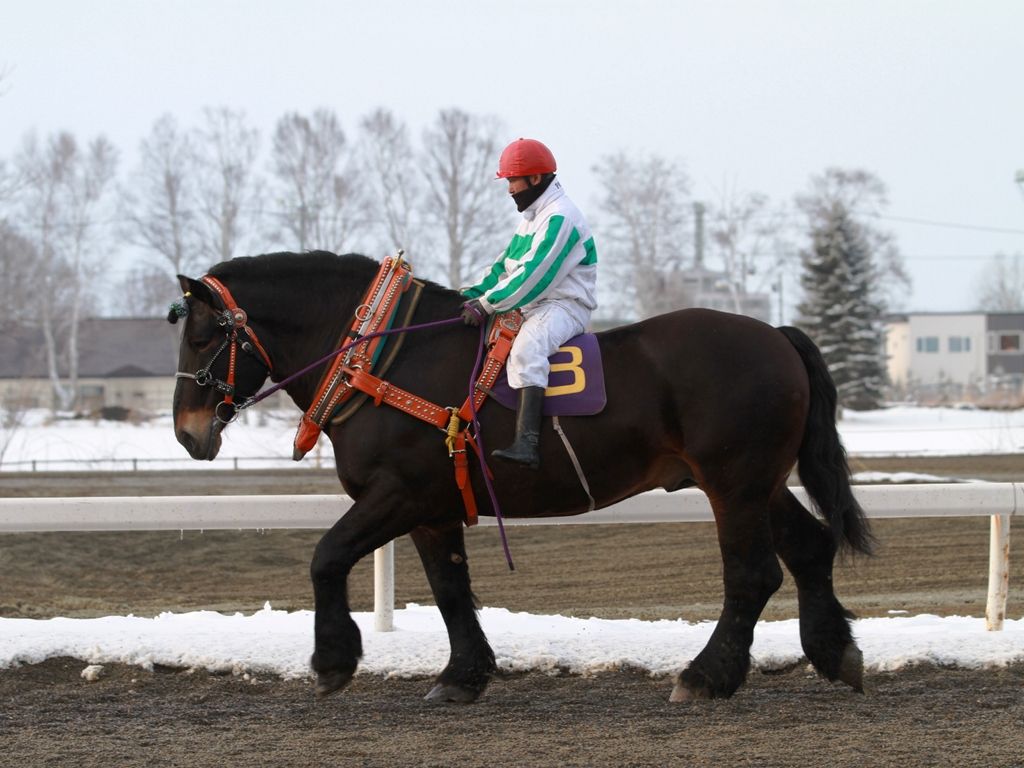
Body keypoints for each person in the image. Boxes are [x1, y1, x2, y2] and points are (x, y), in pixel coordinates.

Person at [460, 138, 598, 470]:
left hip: (565, 306)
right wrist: (468, 296)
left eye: (513, 180)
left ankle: (527, 443)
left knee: (527, 348)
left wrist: (488, 304)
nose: (509, 189)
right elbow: (504, 268)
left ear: (535, 179)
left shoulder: (561, 218)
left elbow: (535, 276)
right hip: (535, 305)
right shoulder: (532, 218)